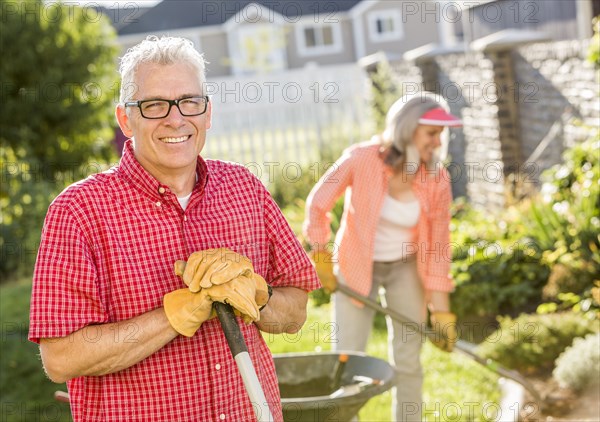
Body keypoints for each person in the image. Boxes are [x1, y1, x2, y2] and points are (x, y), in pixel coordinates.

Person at [28, 35, 320, 422]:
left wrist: (255, 294)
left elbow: (295, 313)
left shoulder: (244, 189)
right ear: (125, 118)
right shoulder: (80, 211)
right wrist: (177, 312)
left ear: (208, 112)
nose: (176, 118)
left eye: (189, 102)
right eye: (154, 105)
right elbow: (61, 358)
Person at [303, 92, 460, 421]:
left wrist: (441, 312)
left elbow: (438, 248)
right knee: (348, 357)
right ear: (406, 129)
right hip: (356, 263)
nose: (438, 140)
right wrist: (321, 255)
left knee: (408, 359)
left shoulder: (436, 178)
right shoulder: (362, 159)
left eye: (441, 133)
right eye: (431, 132)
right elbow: (319, 202)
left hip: (405, 267)